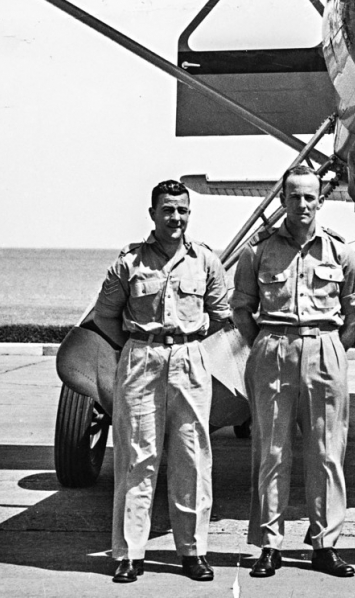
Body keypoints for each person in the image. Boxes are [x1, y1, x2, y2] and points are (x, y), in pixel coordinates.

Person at [231, 165, 355, 579]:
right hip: (273, 345)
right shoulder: (258, 252)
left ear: (321, 201)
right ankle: (270, 545)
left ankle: (325, 544)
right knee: (271, 451)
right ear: (282, 201)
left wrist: (332, 347)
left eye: (310, 197)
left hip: (325, 347)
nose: (303, 204)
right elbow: (241, 308)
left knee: (327, 453)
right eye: (295, 196)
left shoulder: (340, 252)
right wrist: (266, 343)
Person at [95, 179, 231, 583]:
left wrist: (184, 343)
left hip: (190, 359)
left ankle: (193, 551)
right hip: (142, 359)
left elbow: (221, 313)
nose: (175, 218)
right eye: (168, 210)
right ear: (153, 213)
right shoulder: (130, 262)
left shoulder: (205, 260)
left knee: (192, 457)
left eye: (182, 210)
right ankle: (129, 554)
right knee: (137, 458)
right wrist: (140, 345)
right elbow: (105, 315)